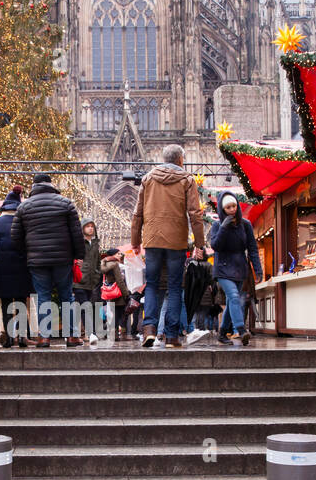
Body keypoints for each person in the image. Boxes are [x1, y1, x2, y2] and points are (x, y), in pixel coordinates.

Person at [131, 144, 205, 348]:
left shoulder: (147, 179)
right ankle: (172, 336)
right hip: (176, 241)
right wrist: (200, 244)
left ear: (164, 159)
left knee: (152, 285)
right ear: (181, 160)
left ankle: (149, 330)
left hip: (152, 239)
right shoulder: (187, 180)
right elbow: (195, 214)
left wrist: (136, 241)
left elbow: (137, 213)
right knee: (174, 287)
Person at [11, 173, 83, 348]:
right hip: (62, 259)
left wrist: (27, 253)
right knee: (67, 296)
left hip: (37, 261)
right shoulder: (65, 203)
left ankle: (44, 337)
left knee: (43, 297)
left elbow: (15, 237)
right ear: (51, 185)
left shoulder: (24, 207)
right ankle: (72, 336)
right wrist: (79, 254)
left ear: (34, 186)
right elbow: (76, 233)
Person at [210, 194, 263, 346]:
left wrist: (257, 269)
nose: (232, 210)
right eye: (228, 207)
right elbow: (216, 246)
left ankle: (222, 334)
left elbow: (252, 248)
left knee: (230, 301)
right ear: (222, 209)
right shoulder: (217, 225)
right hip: (223, 269)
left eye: (234, 206)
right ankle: (241, 329)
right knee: (234, 297)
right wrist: (224, 227)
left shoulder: (245, 224)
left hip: (240, 268)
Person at [0, 185, 32, 346]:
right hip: (22, 267)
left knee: (7, 302)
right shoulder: (23, 221)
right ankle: (22, 337)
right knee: (21, 302)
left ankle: (8, 337)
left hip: (4, 267)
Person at [74, 218, 102, 343]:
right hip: (79, 280)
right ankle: (91, 334)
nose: (90, 228)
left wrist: (97, 274)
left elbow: (97, 262)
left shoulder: (95, 243)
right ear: (82, 228)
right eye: (87, 226)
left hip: (91, 281)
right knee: (86, 307)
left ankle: (74, 333)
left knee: (82, 307)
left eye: (92, 226)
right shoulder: (78, 242)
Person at [99, 248, 130, 340]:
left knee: (113, 314)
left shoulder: (105, 264)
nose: (120, 255)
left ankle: (111, 333)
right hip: (118, 293)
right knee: (120, 314)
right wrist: (126, 294)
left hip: (110, 293)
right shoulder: (115, 264)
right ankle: (115, 334)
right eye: (118, 254)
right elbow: (119, 281)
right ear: (113, 255)